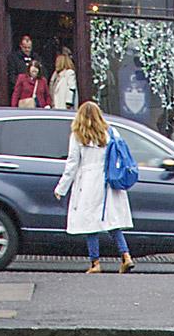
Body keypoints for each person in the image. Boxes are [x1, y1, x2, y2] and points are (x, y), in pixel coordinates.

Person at [55, 101, 133, 274]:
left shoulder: (78, 136)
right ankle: (125, 256)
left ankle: (95, 262)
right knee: (112, 221)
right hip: (109, 181)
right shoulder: (111, 132)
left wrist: (61, 188)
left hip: (88, 181)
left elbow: (72, 164)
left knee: (90, 224)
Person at [9, 38, 48, 110]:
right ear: (21, 46)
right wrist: (13, 108)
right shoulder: (15, 59)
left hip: (40, 107)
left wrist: (47, 105)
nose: (27, 50)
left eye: (29, 47)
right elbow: (16, 94)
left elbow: (47, 95)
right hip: (26, 107)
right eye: (25, 47)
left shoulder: (42, 80)